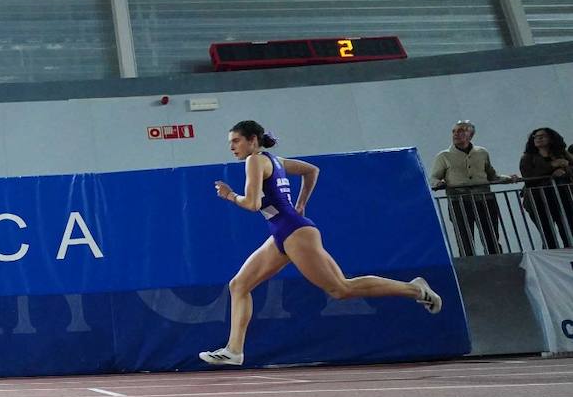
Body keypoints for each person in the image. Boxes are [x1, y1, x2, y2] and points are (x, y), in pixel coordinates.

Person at [198, 120, 441, 367]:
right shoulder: (276, 161)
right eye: (230, 143)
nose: (232, 147)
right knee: (239, 285)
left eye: (236, 141)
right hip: (284, 232)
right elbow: (311, 170)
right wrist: (301, 203)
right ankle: (234, 350)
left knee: (341, 289)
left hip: (294, 232)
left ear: (252, 140)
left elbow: (251, 204)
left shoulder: (255, 160)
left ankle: (415, 289)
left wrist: (230, 195)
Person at [430, 120, 511, 256]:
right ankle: (469, 264)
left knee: (491, 235)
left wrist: (507, 179)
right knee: (464, 238)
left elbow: (491, 175)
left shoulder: (482, 153)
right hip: (460, 201)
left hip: (484, 199)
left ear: (470, 135)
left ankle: (496, 261)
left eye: (461, 131)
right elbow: (434, 178)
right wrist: (438, 183)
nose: (456, 134)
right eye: (454, 131)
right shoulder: (444, 156)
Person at [519, 126, 573, 249]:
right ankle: (551, 261)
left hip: (563, 197)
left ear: (551, 138)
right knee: (547, 233)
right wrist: (552, 168)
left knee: (568, 230)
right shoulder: (528, 157)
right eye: (536, 137)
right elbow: (528, 177)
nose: (538, 139)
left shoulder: (561, 154)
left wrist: (565, 170)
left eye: (542, 136)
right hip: (538, 200)